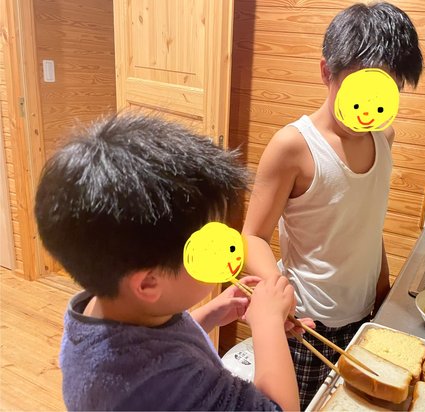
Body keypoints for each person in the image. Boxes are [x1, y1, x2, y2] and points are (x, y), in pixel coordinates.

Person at [34, 113, 304, 411]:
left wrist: (212, 313)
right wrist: (268, 326)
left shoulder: (97, 312)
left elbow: (156, 346)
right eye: (207, 250)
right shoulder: (160, 385)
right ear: (148, 284)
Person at [242, 2, 424, 408]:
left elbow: (366, 223)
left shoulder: (384, 137)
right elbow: (252, 236)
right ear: (327, 72)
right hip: (308, 323)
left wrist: (383, 292)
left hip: (365, 315)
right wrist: (278, 297)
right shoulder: (293, 146)